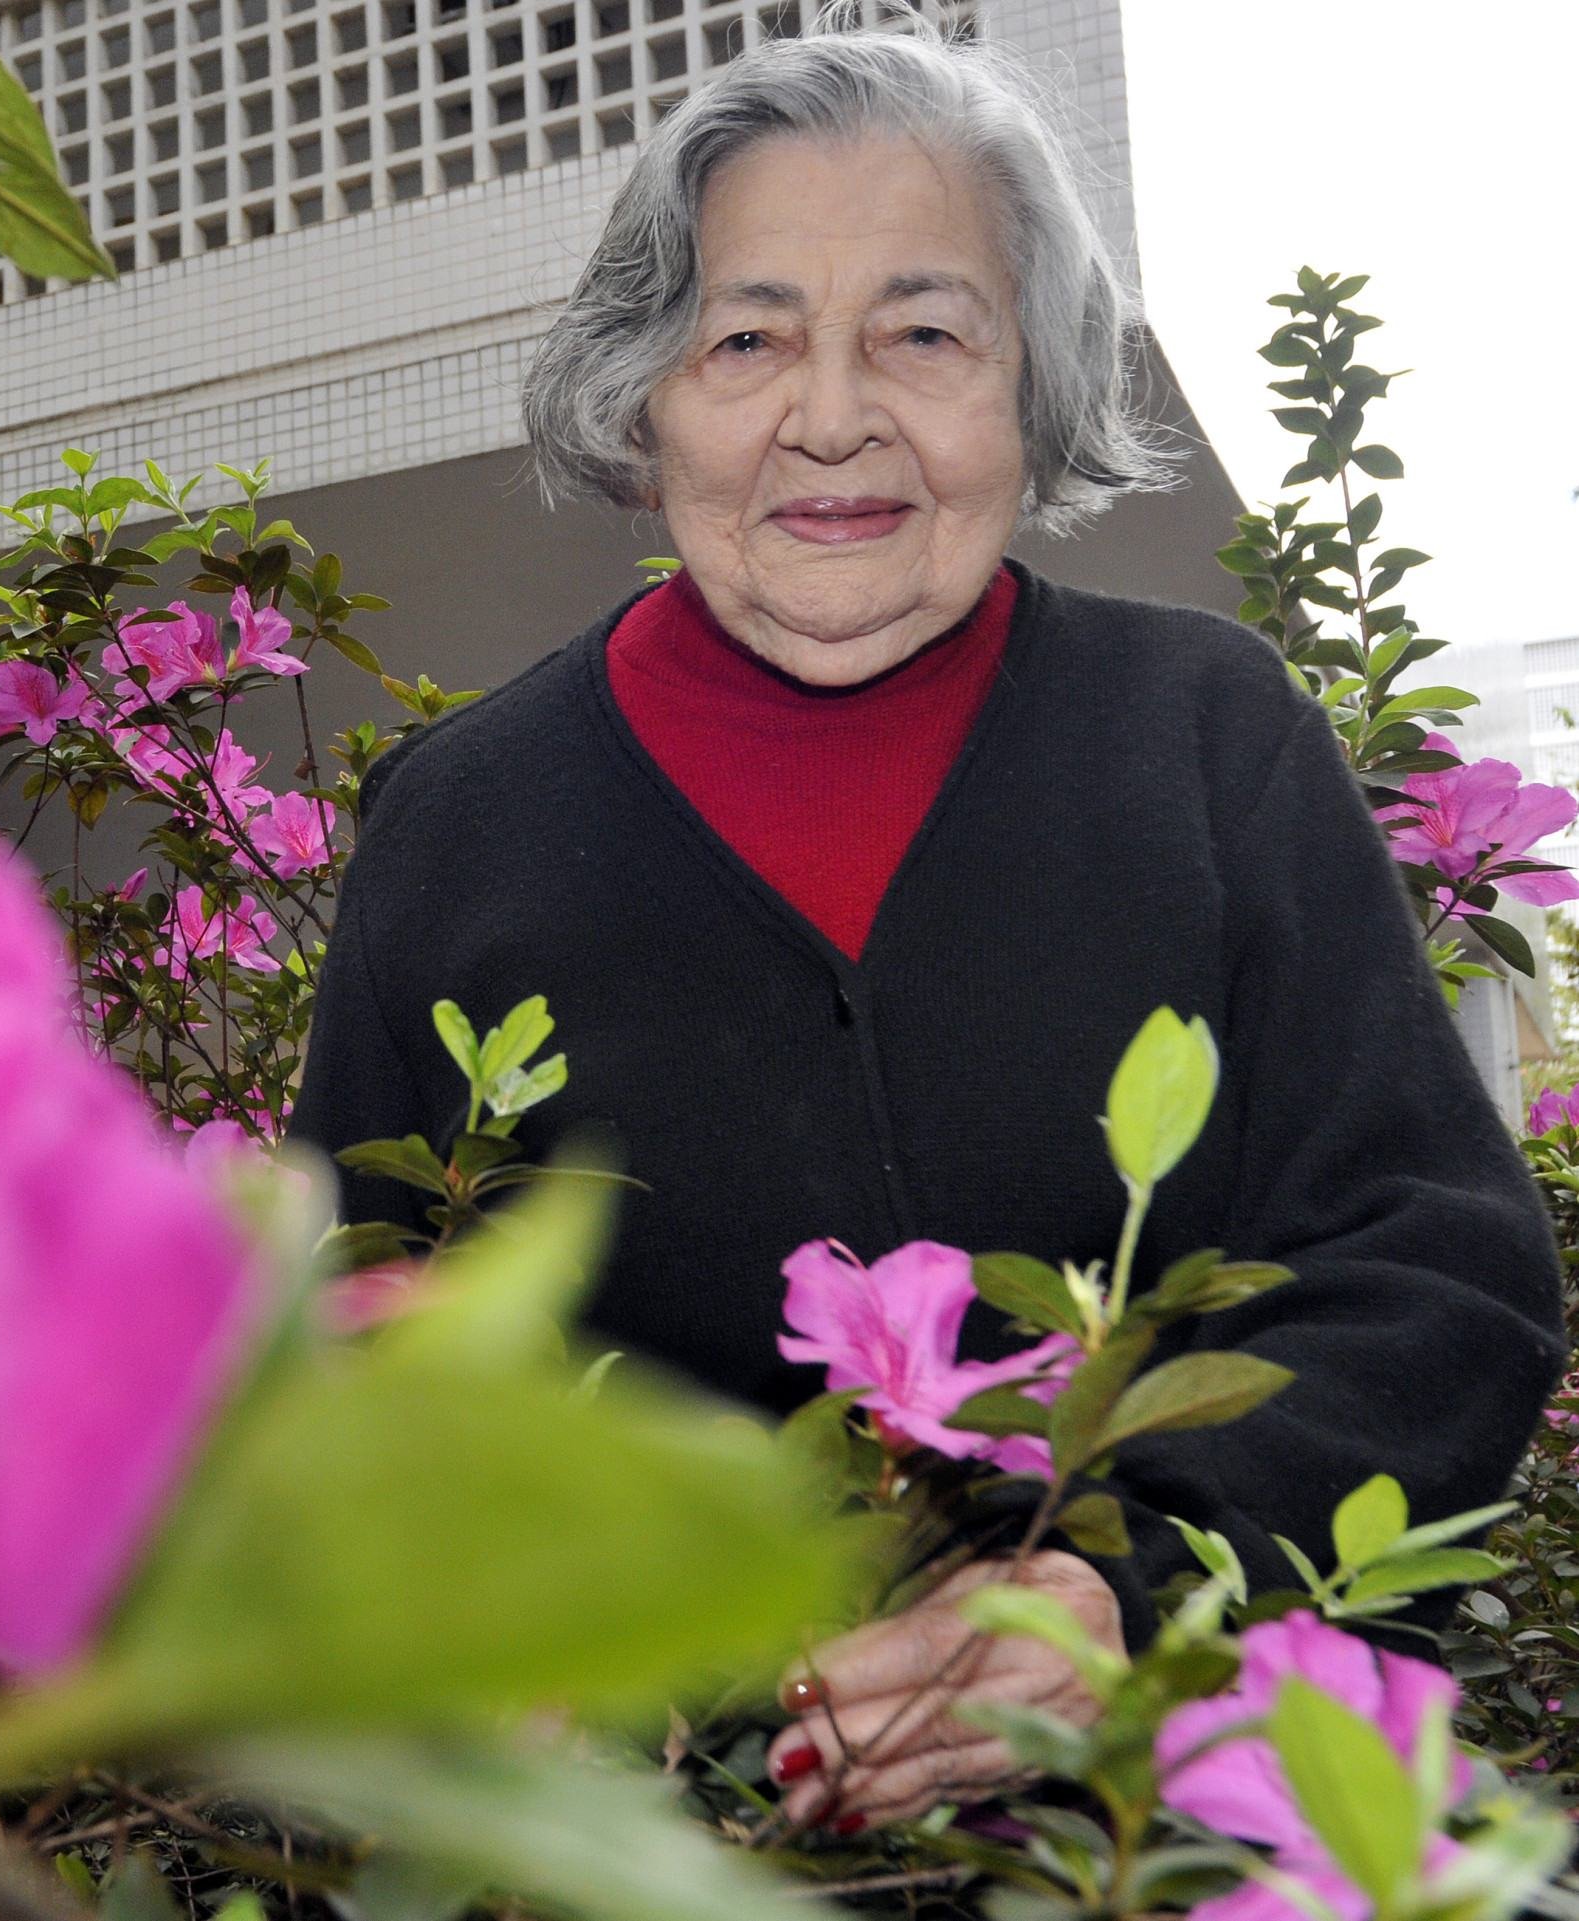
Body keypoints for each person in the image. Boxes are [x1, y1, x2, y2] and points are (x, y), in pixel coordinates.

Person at [281, 12, 1565, 1837]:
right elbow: (353, 1356)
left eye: (925, 330)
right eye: (748, 336)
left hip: (1174, 1835)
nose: (831, 415)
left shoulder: (1209, 737)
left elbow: (1440, 1265)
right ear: (644, 396)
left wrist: (1124, 1586)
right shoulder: (459, 825)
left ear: (1030, 390)